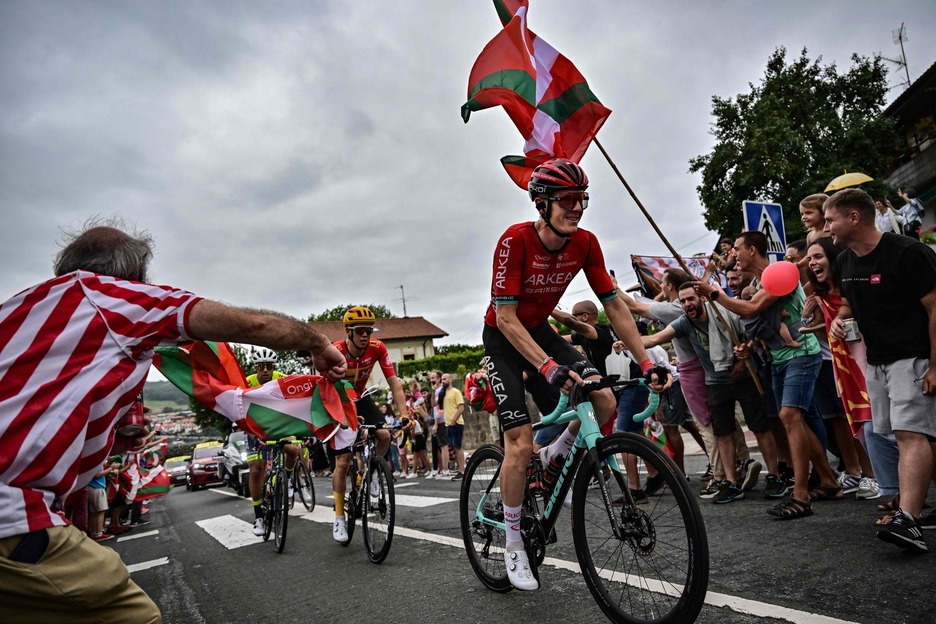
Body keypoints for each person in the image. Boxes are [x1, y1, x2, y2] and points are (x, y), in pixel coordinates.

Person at [0, 220, 346, 622]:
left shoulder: (16, 309)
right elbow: (253, 325)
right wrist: (318, 342)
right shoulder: (115, 296)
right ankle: (259, 512)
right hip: (15, 512)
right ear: (135, 274)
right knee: (132, 614)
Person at [481, 158, 668, 590]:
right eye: (567, 199)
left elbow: (614, 305)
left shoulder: (585, 243)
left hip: (540, 331)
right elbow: (506, 318)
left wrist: (646, 363)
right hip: (504, 338)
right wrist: (546, 366)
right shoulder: (515, 240)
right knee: (519, 444)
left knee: (603, 398)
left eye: (582, 198)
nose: (577, 207)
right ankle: (514, 542)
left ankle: (555, 454)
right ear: (541, 203)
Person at [695, 231, 841, 519]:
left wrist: (714, 294)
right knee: (797, 420)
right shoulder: (757, 283)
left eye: (737, 249)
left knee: (790, 416)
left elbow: (751, 308)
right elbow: (760, 319)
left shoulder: (780, 271)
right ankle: (828, 480)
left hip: (801, 354)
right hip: (780, 359)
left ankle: (800, 496)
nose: (733, 255)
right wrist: (749, 345)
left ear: (752, 250)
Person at [824, 188, 936, 551]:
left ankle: (909, 520)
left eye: (830, 220)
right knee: (907, 436)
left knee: (910, 434)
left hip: (913, 358)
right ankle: (915, 508)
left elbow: (935, 309)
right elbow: (847, 306)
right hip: (877, 363)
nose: (826, 228)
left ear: (854, 218)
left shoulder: (908, 252)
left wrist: (935, 365)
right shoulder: (845, 260)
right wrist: (839, 320)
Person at [642, 283, 779, 504]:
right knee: (722, 433)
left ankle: (774, 476)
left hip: (745, 378)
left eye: (691, 299)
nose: (687, 304)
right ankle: (731, 483)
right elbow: (656, 338)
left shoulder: (724, 312)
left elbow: (752, 333)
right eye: (683, 301)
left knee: (760, 427)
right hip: (716, 382)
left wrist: (746, 351)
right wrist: (627, 342)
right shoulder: (684, 322)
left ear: (703, 298)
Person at [327, 306, 411, 543]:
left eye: (369, 331)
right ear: (348, 331)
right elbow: (325, 386)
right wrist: (345, 416)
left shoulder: (377, 348)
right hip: (337, 400)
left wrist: (404, 413)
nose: (365, 335)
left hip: (361, 398)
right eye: (360, 331)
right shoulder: (335, 351)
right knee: (343, 461)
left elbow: (393, 382)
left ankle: (373, 473)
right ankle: (339, 517)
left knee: (384, 435)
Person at [244, 348, 299, 537]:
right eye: (261, 367)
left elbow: (296, 403)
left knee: (293, 449)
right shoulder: (247, 382)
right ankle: (258, 515)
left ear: (274, 367)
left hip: (278, 425)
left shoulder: (282, 380)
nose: (266, 370)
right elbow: (239, 410)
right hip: (254, 426)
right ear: (255, 368)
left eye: (269, 366)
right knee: (256, 468)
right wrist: (253, 436)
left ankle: (287, 480)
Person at [440, 373, 467, 479]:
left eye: (445, 379)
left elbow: (461, 407)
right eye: (442, 379)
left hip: (456, 423)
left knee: (458, 447)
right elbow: (434, 404)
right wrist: (433, 391)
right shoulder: (443, 393)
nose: (443, 381)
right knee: (454, 448)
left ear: (450, 380)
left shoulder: (455, 392)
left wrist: (454, 420)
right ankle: (460, 468)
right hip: (448, 424)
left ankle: (462, 471)